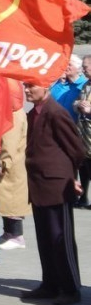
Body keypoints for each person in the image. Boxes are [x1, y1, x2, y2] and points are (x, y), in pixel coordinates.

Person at [21, 81, 86, 305]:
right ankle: (50, 284)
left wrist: (72, 178)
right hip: (39, 185)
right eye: (25, 86)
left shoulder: (55, 112)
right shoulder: (35, 113)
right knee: (45, 239)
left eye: (31, 86)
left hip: (57, 185)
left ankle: (70, 289)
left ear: (46, 88)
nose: (27, 90)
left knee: (61, 239)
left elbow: (76, 148)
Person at [0, 84, 30, 251]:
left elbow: (9, 142)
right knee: (5, 200)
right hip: (11, 163)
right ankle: (8, 232)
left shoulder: (14, 114)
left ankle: (16, 235)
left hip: (12, 165)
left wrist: (3, 162)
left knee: (12, 201)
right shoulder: (12, 112)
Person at [73, 55, 91, 207]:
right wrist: (78, 104)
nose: (83, 70)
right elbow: (77, 102)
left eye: (85, 67)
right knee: (84, 166)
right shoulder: (86, 85)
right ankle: (83, 197)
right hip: (84, 134)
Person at [50, 54, 86, 121]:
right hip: (57, 123)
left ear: (78, 68)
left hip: (76, 126)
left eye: (69, 64)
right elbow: (51, 97)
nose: (65, 66)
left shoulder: (84, 85)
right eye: (65, 64)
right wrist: (61, 82)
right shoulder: (61, 83)